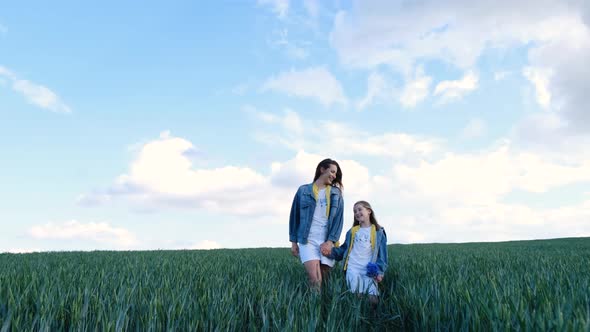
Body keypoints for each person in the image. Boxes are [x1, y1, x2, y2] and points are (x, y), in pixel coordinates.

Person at [289, 158, 344, 289]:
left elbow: (338, 221)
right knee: (315, 280)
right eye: (332, 171)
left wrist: (330, 242)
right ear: (322, 169)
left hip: (327, 240)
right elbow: (294, 216)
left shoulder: (336, 194)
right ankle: (313, 309)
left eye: (336, 174)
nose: (334, 176)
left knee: (324, 281)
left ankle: (325, 308)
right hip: (307, 239)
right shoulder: (303, 191)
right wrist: (293, 242)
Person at [324, 200, 387, 303]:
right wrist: (330, 252)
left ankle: (372, 318)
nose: (357, 213)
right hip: (353, 267)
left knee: (373, 299)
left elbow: (383, 255)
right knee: (357, 296)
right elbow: (344, 249)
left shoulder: (378, 232)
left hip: (369, 270)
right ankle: (357, 318)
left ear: (369, 211)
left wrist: (380, 271)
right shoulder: (352, 231)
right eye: (354, 211)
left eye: (359, 209)